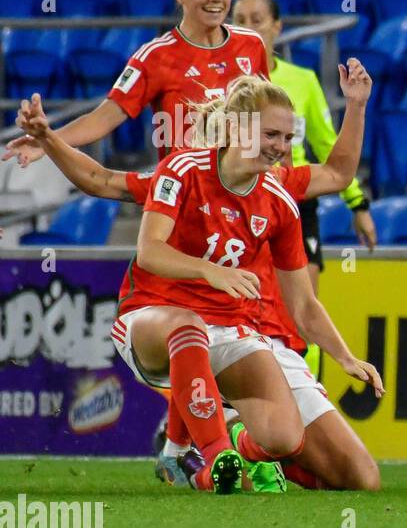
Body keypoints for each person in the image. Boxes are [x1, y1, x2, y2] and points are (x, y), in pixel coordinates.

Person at [13, 66, 385, 493]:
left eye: (287, 138)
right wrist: (49, 138)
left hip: (236, 331)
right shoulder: (183, 170)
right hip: (153, 321)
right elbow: (144, 242)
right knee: (187, 325)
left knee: (335, 465)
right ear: (235, 127)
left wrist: (345, 357)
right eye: (271, 135)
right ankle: (211, 455)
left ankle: (226, 453)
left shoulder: (280, 199)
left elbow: (302, 304)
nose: (281, 148)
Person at [3, 0, 268, 166]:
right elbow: (103, 118)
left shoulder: (252, 45)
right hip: (187, 203)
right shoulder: (155, 56)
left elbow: (268, 120)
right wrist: (48, 140)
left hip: (246, 201)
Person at [232, 0, 377, 378]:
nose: (248, 28)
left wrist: (357, 205)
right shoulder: (225, 84)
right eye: (239, 20)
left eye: (257, 20)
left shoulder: (302, 80)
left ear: (277, 28)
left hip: (293, 199)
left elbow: (328, 147)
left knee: (301, 307)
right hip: (236, 206)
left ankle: (307, 396)